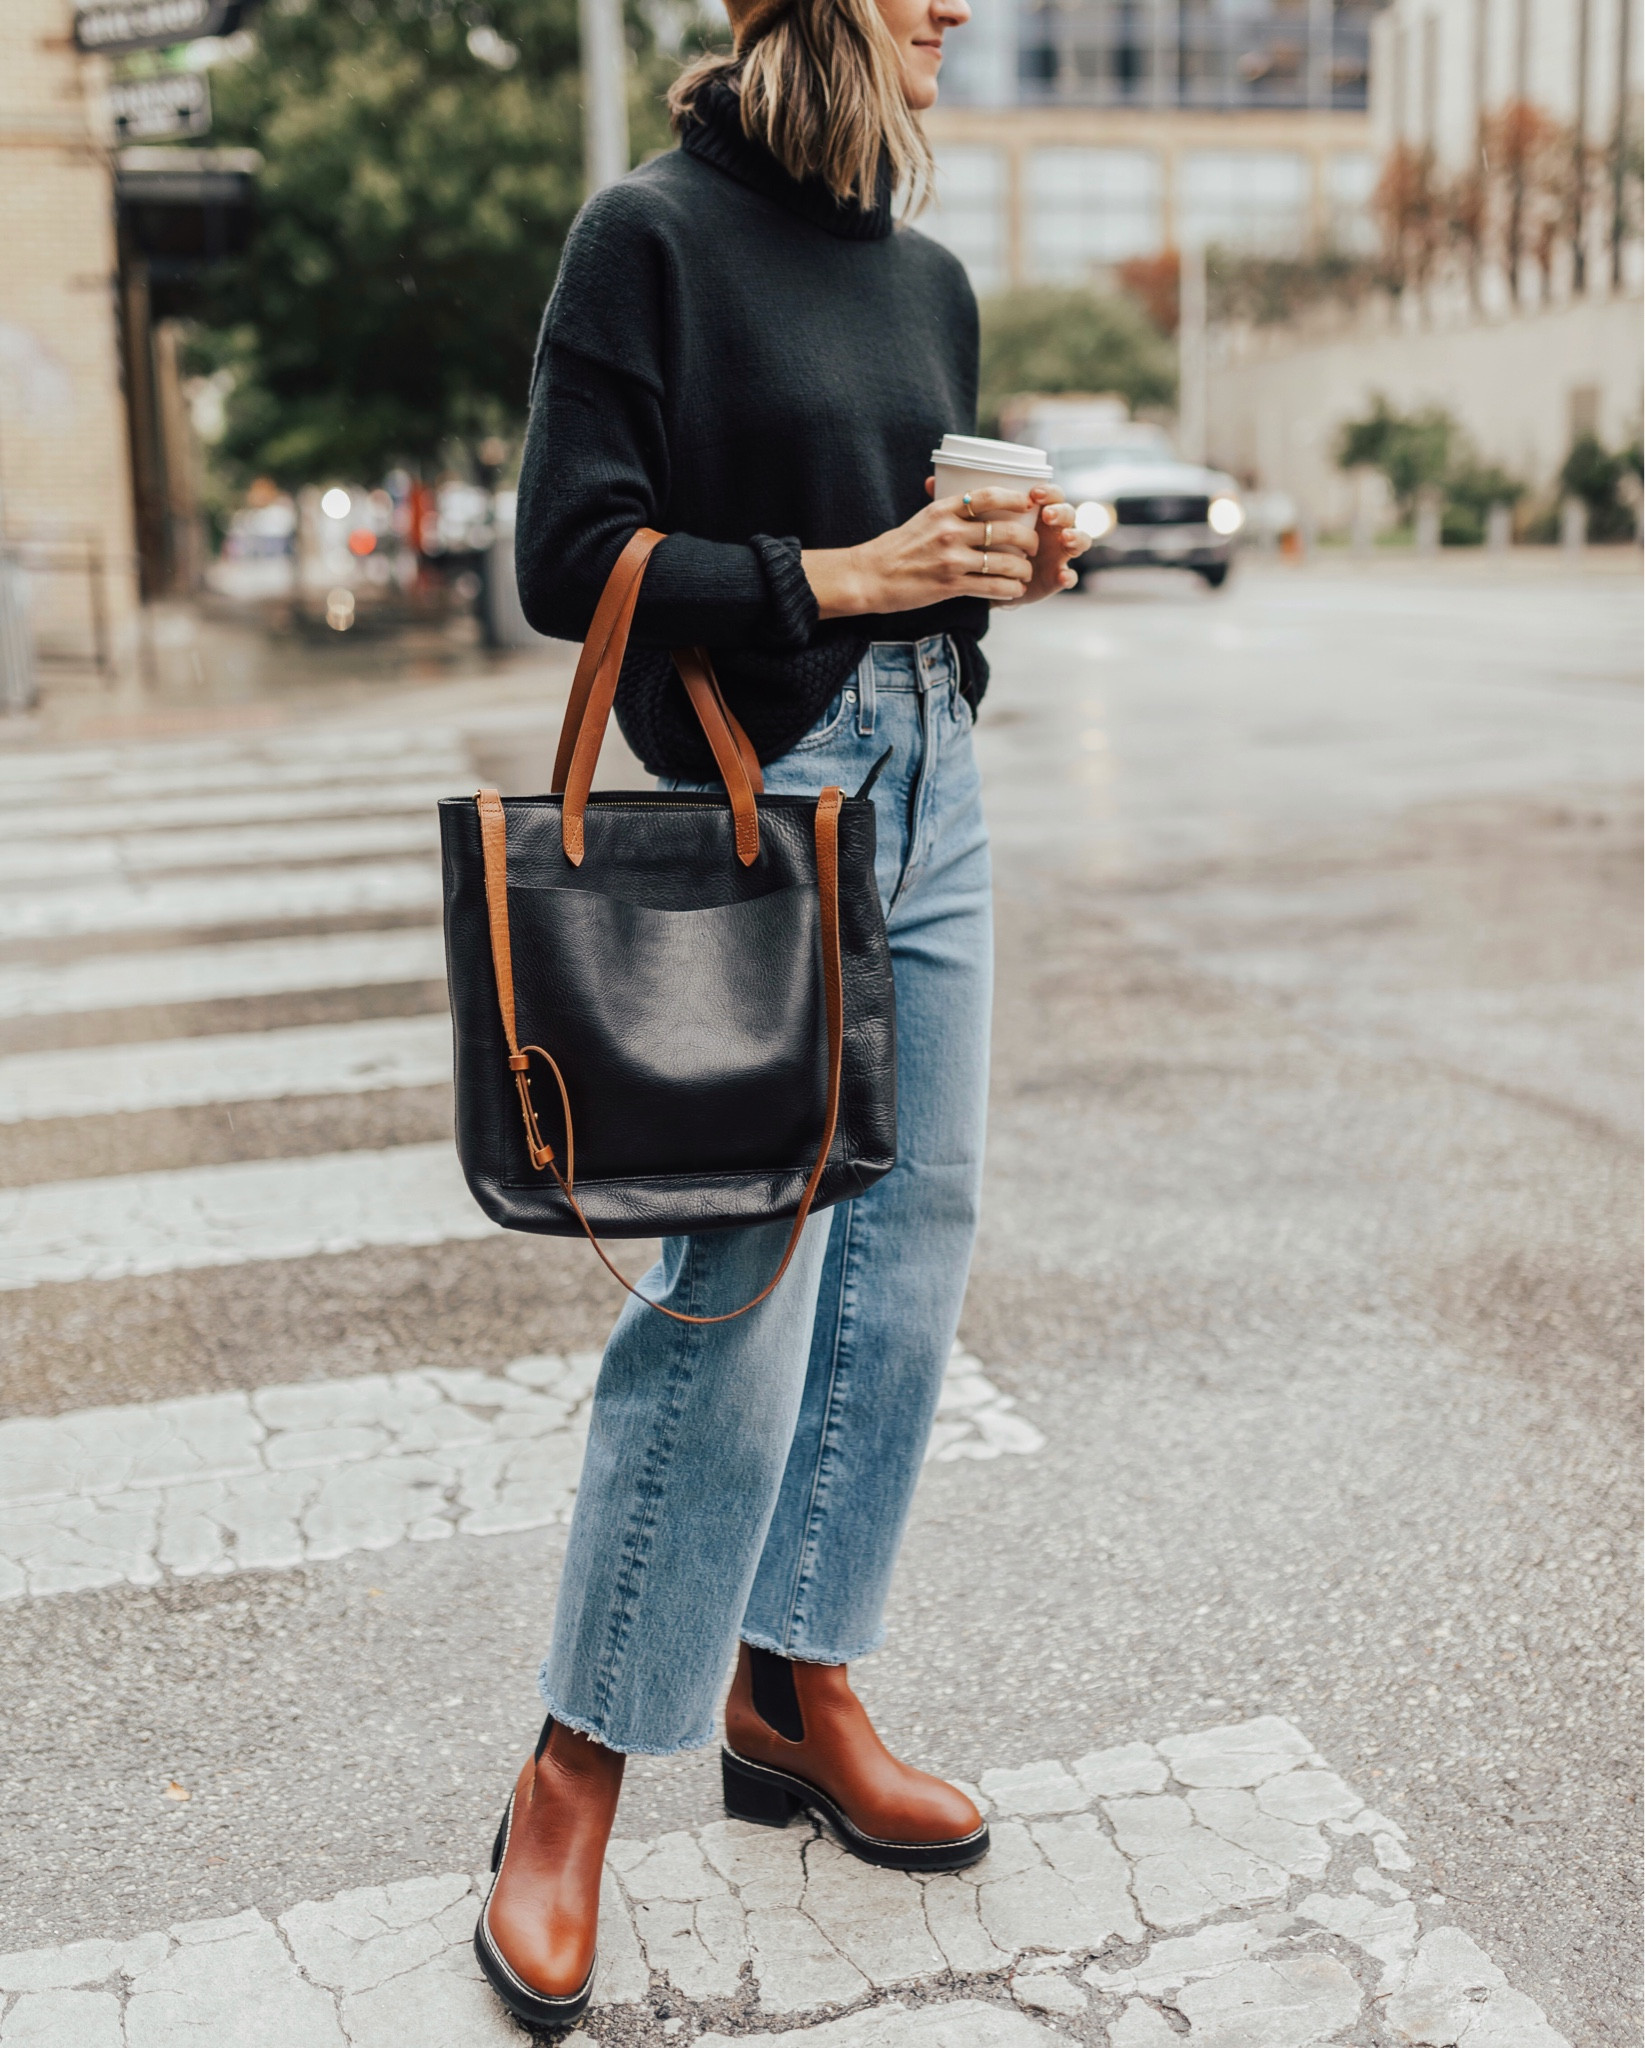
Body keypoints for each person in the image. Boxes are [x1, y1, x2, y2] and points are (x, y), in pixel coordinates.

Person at [480, 0, 1088, 2024]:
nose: (956, 16)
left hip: (939, 782)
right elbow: (570, 560)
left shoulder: (926, 275)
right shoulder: (644, 238)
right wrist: (846, 575)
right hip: (772, 799)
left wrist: (997, 564)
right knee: (733, 1288)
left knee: (910, 1258)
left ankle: (792, 1680)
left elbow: (915, 561)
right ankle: (576, 1762)